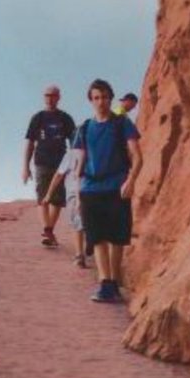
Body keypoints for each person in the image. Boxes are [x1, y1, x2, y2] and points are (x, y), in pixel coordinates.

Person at [72, 79, 141, 302]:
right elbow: (79, 163)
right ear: (91, 100)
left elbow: (138, 156)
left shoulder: (122, 123)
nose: (101, 102)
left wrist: (131, 181)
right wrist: (77, 192)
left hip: (116, 186)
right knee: (97, 238)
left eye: (104, 97)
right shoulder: (84, 128)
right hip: (91, 189)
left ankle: (112, 282)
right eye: (96, 98)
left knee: (116, 238)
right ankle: (105, 284)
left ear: (111, 98)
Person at [22, 85, 77, 247]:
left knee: (58, 199)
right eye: (47, 95)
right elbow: (30, 142)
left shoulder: (65, 118)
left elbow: (74, 142)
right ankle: (47, 229)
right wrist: (25, 166)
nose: (49, 98)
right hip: (41, 161)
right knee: (42, 195)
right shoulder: (38, 118)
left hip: (61, 162)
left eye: (53, 95)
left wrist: (75, 164)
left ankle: (49, 230)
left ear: (59, 97)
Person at [44, 146, 87, 267]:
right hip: (91, 189)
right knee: (83, 221)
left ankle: (79, 255)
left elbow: (59, 175)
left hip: (74, 191)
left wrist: (49, 194)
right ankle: (83, 251)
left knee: (77, 221)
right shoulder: (97, 149)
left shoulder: (71, 154)